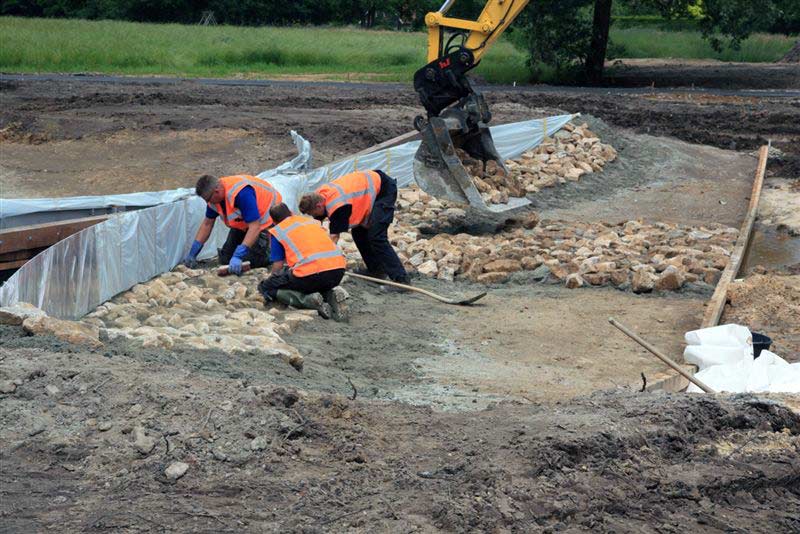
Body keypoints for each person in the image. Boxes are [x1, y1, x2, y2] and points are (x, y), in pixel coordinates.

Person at [298, 169, 409, 286]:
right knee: (359, 233)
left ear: (319, 206)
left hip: (383, 189)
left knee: (377, 237)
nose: (314, 217)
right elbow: (317, 227)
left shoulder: (337, 206)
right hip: (368, 188)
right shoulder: (319, 195)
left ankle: (401, 280)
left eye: (313, 213)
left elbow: (334, 238)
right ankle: (376, 271)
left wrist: (320, 263)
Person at [259, 203, 347, 320]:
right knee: (315, 281)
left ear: (274, 221)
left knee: (267, 286)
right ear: (291, 213)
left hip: (311, 274)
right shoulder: (310, 222)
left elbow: (278, 265)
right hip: (337, 272)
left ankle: (308, 300)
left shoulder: (278, 231)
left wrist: (271, 278)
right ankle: (330, 295)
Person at [183, 174, 282, 275]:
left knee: (253, 260)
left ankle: (269, 253)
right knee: (226, 259)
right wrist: (193, 252)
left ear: (217, 191)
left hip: (266, 221)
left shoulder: (242, 194)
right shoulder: (214, 198)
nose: (207, 203)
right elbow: (207, 224)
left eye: (208, 199)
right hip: (244, 224)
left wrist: (239, 255)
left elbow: (255, 227)